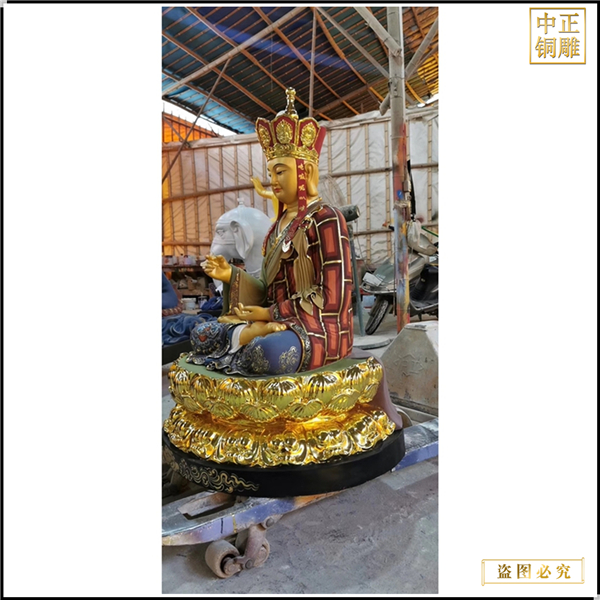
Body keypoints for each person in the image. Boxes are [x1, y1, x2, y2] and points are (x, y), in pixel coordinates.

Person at [188, 88, 353, 376]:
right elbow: (266, 289)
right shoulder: (276, 227)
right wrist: (231, 276)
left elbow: (333, 298)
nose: (273, 181)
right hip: (274, 322)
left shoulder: (327, 219)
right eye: (271, 173)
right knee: (201, 334)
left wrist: (269, 314)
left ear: (306, 173)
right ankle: (253, 334)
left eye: (281, 172)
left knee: (267, 353)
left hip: (317, 328)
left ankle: (253, 337)